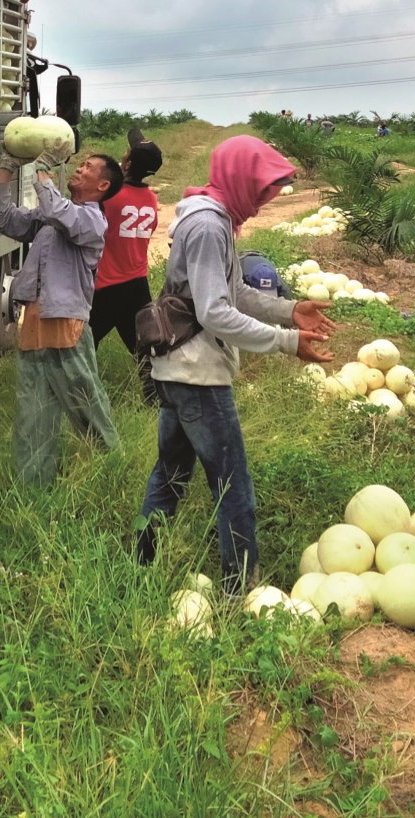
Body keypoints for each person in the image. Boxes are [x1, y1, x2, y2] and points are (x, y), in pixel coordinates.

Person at [134, 136, 337, 595]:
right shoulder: (208, 225)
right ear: (241, 177)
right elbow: (214, 313)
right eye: (263, 190)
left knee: (170, 474)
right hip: (197, 374)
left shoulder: (214, 217)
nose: (265, 202)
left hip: (180, 369)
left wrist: (289, 310)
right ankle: (239, 588)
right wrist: (288, 343)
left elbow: (233, 293)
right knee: (233, 485)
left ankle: (140, 563)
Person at [0, 148, 126, 486]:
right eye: (80, 164)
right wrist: (5, 170)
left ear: (103, 185)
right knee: (33, 412)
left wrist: (43, 170)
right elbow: (2, 217)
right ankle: (33, 486)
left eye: (89, 168)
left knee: (86, 405)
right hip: (35, 322)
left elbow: (57, 210)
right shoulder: (52, 217)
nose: (80, 169)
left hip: (66, 324)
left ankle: (115, 469)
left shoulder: (92, 221)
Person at [90, 129, 163, 406]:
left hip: (106, 285)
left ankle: (81, 398)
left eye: (127, 152)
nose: (124, 153)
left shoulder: (110, 197)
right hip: (137, 286)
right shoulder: (151, 201)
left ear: (128, 164)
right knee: (145, 351)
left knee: (82, 346)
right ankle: (156, 404)